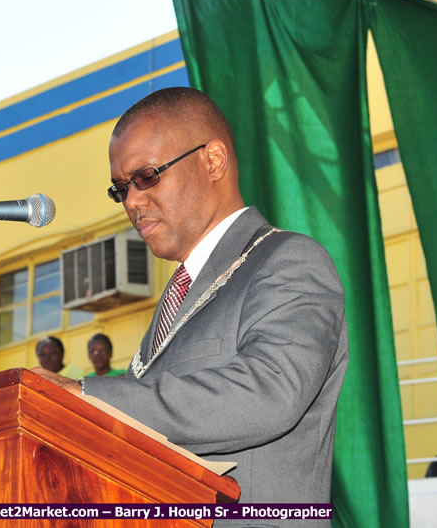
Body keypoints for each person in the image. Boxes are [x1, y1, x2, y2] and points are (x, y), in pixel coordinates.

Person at [32, 87, 348, 527]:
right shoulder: (177, 297)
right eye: (120, 189)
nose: (132, 202)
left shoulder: (287, 260)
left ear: (213, 160)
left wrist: (88, 396)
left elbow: (268, 393)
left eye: (146, 176)